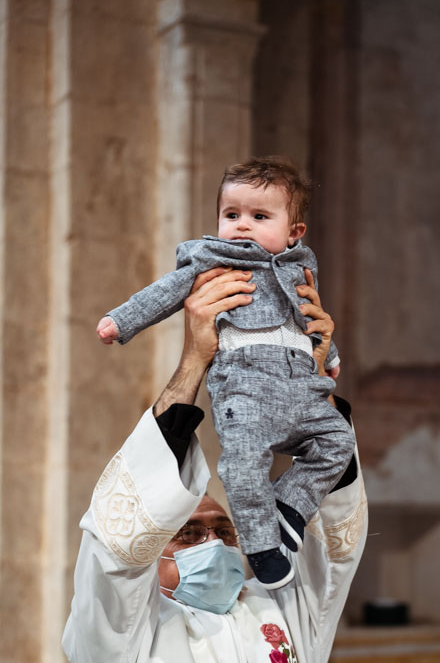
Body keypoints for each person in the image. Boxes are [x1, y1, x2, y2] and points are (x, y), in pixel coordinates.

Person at [63, 266, 367, 663]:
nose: (213, 545)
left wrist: (310, 382)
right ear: (155, 549)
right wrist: (195, 360)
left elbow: (334, 547)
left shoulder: (278, 615)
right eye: (188, 533)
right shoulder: (121, 639)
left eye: (224, 531)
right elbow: (115, 550)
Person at [95, 157, 356, 589]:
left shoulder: (297, 269)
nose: (242, 226)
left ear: (294, 232)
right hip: (245, 389)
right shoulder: (212, 260)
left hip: (303, 389)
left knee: (338, 442)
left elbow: (308, 314)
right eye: (231, 215)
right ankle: (262, 545)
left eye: (259, 216)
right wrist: (121, 321)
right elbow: (164, 292)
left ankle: (288, 509)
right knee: (244, 462)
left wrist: (328, 357)